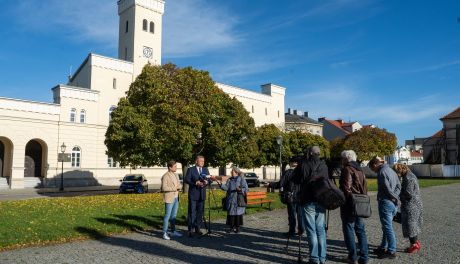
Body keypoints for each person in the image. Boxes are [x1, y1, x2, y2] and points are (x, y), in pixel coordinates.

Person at [294, 146, 328, 264]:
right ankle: (322, 257)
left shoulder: (303, 164)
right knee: (321, 230)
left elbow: (295, 179)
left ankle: (314, 258)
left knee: (311, 230)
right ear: (319, 153)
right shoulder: (323, 165)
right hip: (321, 199)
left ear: (309, 153)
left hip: (308, 199)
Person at [339, 150, 369, 264]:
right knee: (360, 230)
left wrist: (342, 199)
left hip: (350, 204)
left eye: (342, 159)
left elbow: (346, 188)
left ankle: (352, 257)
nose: (341, 161)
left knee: (349, 230)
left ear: (347, 159)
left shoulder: (347, 169)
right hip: (360, 202)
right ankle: (364, 257)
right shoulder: (360, 169)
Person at [368, 156, 401, 259]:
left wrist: (394, 198)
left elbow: (387, 190)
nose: (373, 171)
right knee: (386, 227)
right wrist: (395, 198)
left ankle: (391, 251)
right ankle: (383, 247)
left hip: (386, 202)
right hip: (392, 203)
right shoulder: (391, 170)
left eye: (372, 168)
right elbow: (399, 186)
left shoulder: (382, 173)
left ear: (375, 164)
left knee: (387, 227)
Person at [393, 163, 423, 254]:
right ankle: (414, 243)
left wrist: (398, 195)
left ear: (400, 170)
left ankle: (414, 245)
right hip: (413, 204)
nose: (396, 174)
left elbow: (408, 194)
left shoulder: (408, 178)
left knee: (411, 225)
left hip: (411, 205)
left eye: (396, 172)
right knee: (412, 225)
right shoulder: (409, 175)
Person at [184, 155, 210, 237]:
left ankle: (197, 228)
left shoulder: (205, 169)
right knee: (192, 212)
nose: (203, 162)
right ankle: (190, 230)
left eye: (203, 161)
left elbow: (209, 179)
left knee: (200, 213)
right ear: (196, 161)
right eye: (201, 161)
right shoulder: (191, 169)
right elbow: (186, 180)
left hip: (202, 195)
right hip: (193, 195)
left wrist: (207, 182)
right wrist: (195, 183)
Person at [217, 166, 249, 233]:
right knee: (231, 214)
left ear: (236, 172)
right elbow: (226, 188)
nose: (231, 172)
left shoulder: (241, 179)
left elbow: (246, 189)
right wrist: (221, 184)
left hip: (238, 199)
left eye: (232, 171)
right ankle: (231, 228)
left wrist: (240, 190)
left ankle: (238, 228)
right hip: (231, 199)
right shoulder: (229, 179)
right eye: (231, 171)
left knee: (238, 214)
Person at [280, 156, 304, 236]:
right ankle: (301, 230)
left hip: (291, 196)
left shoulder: (288, 172)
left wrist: (271, 185)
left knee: (292, 214)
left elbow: (281, 183)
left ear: (292, 163)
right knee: (300, 214)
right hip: (300, 196)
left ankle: (292, 230)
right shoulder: (302, 172)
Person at [161, 160, 183, 240]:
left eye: (176, 166)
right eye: (175, 166)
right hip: (169, 198)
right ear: (170, 167)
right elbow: (164, 188)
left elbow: (179, 184)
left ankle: (173, 231)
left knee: (173, 216)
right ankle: (165, 233)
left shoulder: (176, 175)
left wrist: (179, 187)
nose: (176, 168)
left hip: (176, 197)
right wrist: (175, 188)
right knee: (167, 216)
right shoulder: (165, 176)